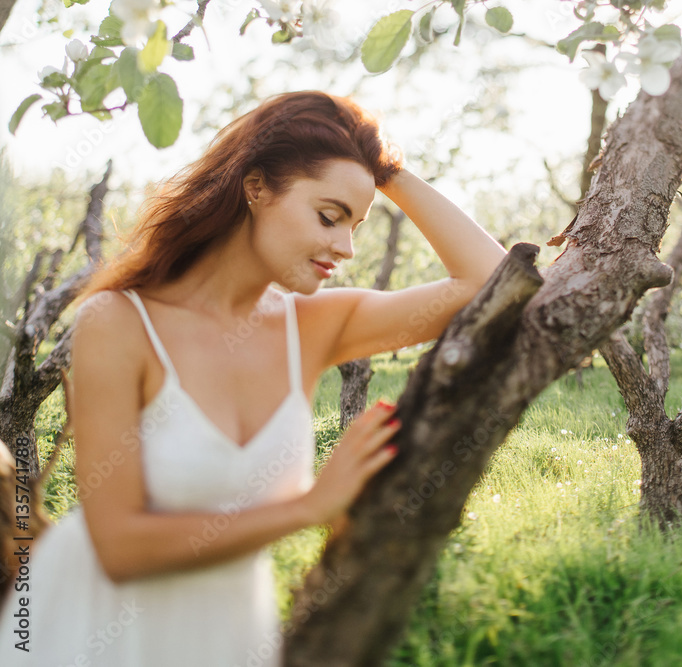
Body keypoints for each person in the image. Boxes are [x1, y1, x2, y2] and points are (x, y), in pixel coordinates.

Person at [0, 90, 507, 666]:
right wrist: (308, 507)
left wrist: (385, 168)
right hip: (96, 631)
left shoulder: (313, 326)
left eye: (358, 224)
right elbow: (118, 546)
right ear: (256, 187)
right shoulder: (119, 322)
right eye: (329, 215)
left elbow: (491, 283)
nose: (345, 247)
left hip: (228, 632)